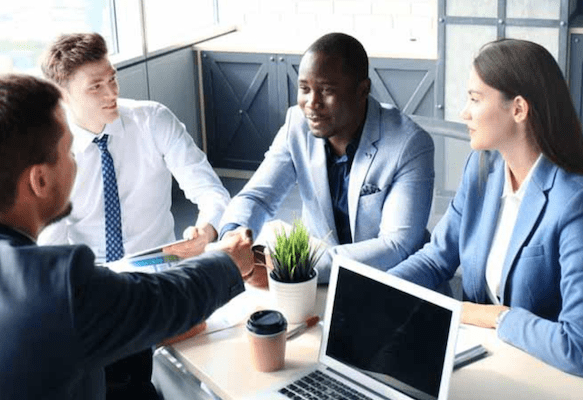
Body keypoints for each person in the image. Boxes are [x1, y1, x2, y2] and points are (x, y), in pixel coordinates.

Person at [0, 73, 254, 399]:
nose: (77, 159)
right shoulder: (55, 283)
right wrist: (228, 261)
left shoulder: (151, 120)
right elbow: (159, 299)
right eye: (69, 151)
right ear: (40, 181)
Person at [388, 38, 583, 377]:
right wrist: (377, 292)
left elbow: (581, 346)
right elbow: (436, 258)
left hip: (542, 376)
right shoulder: (483, 168)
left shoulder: (578, 203)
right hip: (479, 359)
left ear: (518, 109)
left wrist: (496, 317)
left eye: (475, 99)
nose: (464, 112)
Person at [38, 32, 231, 399]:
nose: (111, 93)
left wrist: (206, 230)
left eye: (112, 78)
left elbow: (211, 191)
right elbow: (53, 252)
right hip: (99, 292)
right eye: (96, 87)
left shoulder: (153, 119)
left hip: (166, 279)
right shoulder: (55, 154)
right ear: (63, 95)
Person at [219, 32, 435, 284]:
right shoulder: (296, 125)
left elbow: (396, 245)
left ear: (362, 90)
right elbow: (258, 197)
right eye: (304, 89)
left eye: (326, 91)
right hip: (320, 281)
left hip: (389, 281)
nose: (312, 103)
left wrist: (291, 268)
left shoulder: (409, 144)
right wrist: (233, 236)